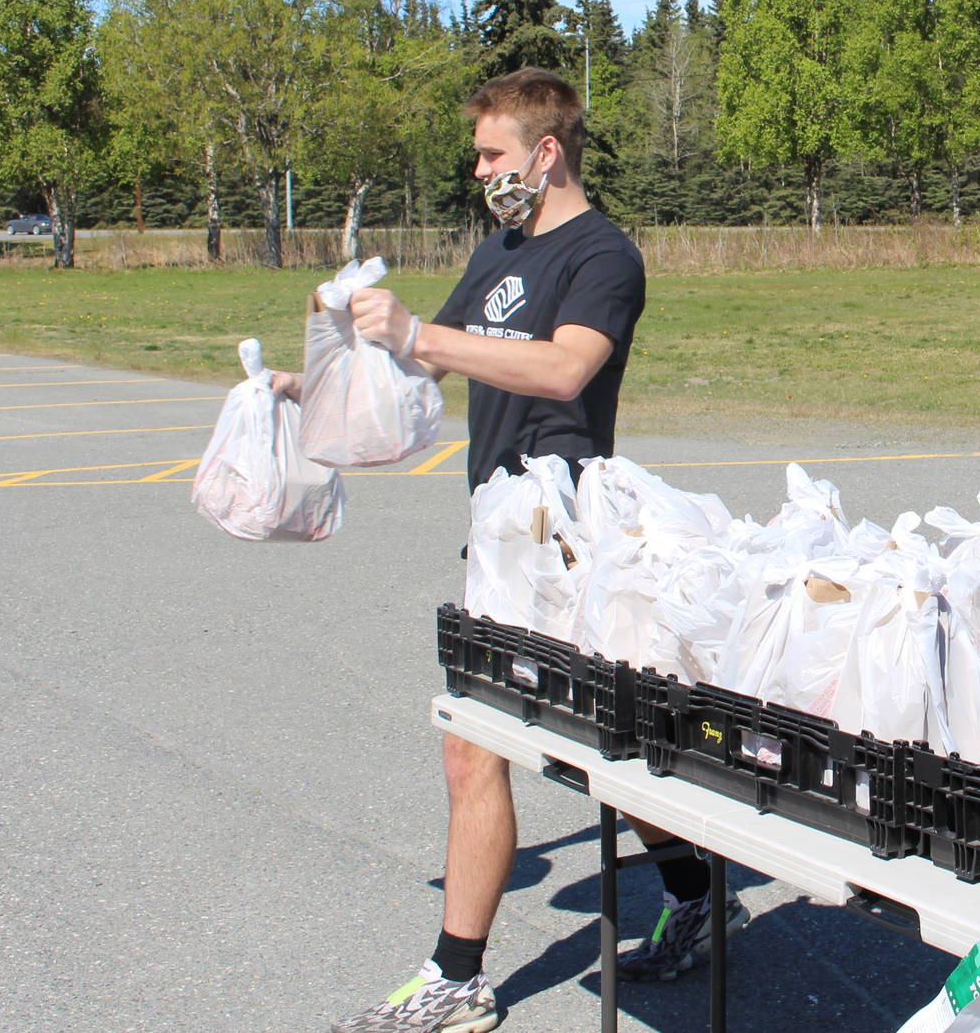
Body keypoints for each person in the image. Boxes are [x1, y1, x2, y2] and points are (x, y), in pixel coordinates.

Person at [294, 68, 735, 1033]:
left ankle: (458, 976)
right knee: (572, 746)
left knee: (493, 743)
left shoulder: (603, 256)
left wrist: (427, 337)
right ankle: (700, 894)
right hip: (498, 529)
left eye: (494, 153)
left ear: (546, 152)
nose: (482, 171)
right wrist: (313, 382)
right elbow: (432, 348)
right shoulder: (499, 250)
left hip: (563, 536)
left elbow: (566, 365)